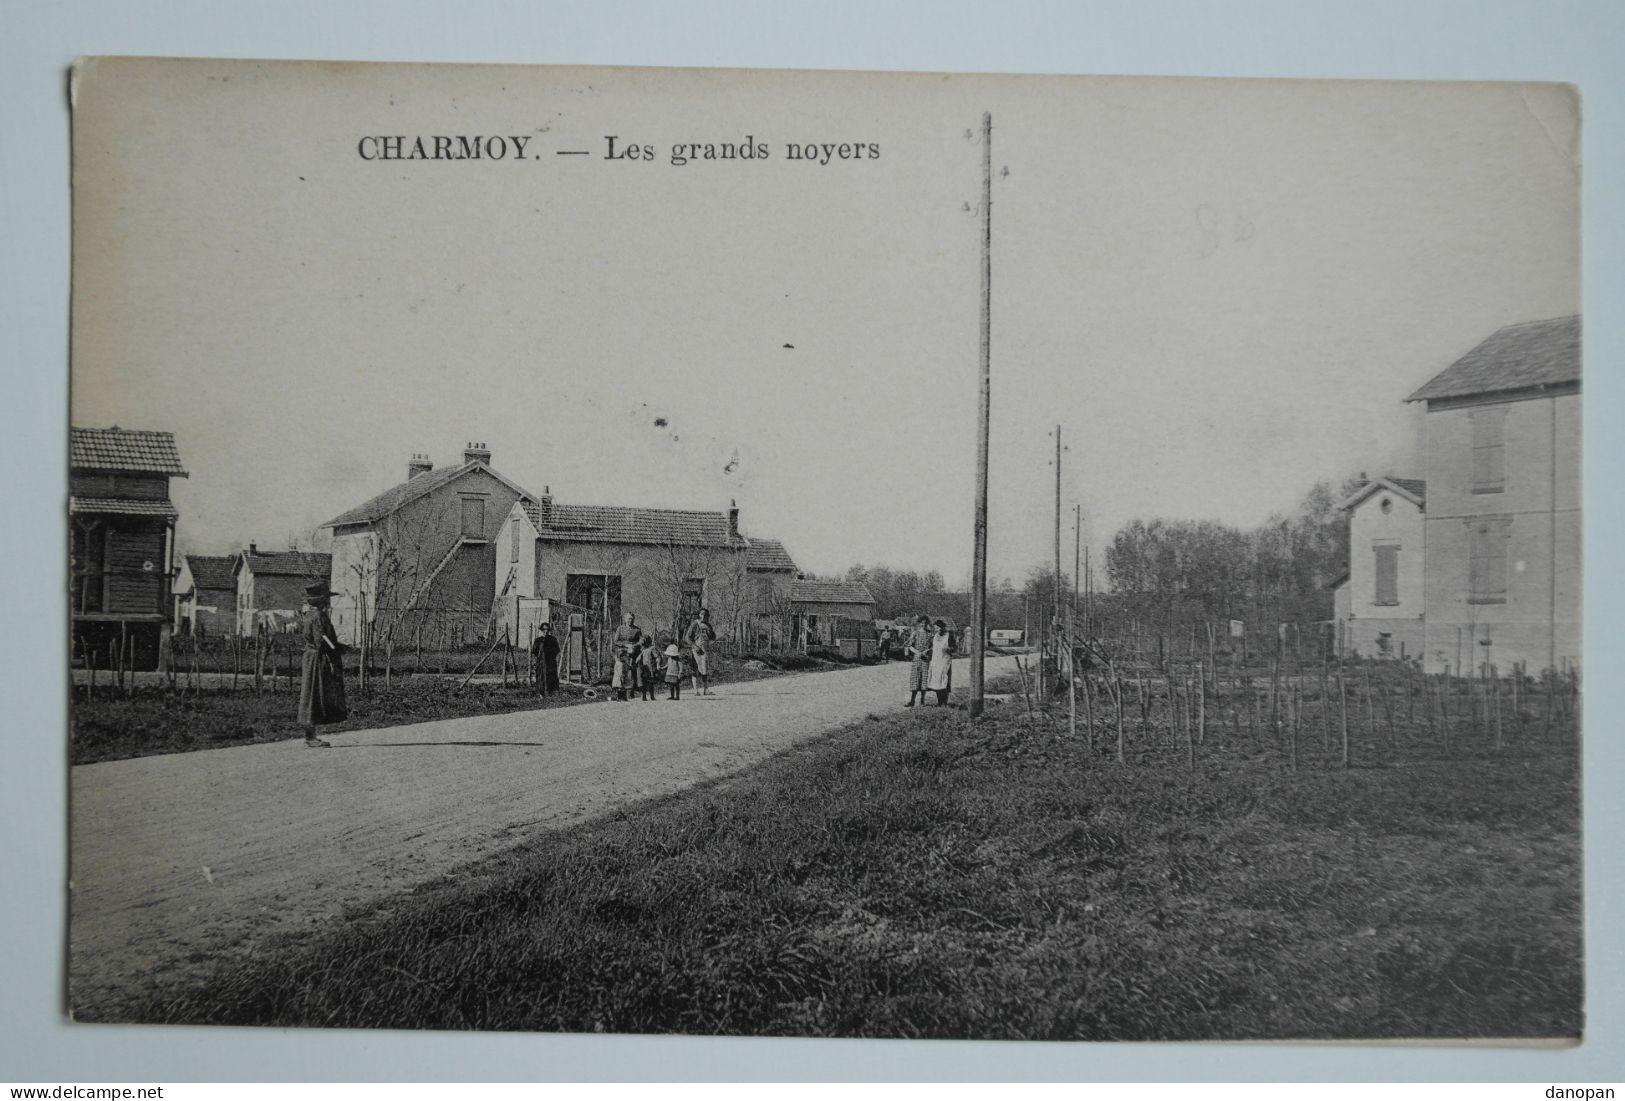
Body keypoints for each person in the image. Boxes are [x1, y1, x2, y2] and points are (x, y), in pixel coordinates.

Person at [296, 581, 347, 747]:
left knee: (310, 694)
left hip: (310, 657)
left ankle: (309, 735)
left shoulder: (309, 615)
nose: (328, 602)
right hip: (318, 659)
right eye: (326, 599)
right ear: (321, 601)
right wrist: (339, 649)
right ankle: (310, 738)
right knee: (314, 694)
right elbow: (321, 641)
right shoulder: (318, 617)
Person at [685, 607, 717, 696]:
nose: (704, 616)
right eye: (702, 614)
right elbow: (687, 638)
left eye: (706, 614)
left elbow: (713, 637)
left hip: (705, 650)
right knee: (695, 670)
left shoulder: (708, 625)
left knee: (705, 670)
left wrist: (710, 633)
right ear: (699, 615)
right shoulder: (695, 624)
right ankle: (695, 690)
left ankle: (706, 689)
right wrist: (694, 646)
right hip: (696, 650)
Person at [611, 612, 642, 700]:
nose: (630, 620)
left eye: (632, 619)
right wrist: (625, 645)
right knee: (619, 672)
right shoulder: (620, 629)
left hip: (632, 654)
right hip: (621, 653)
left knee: (630, 672)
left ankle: (629, 693)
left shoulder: (637, 630)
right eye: (629, 618)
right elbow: (616, 641)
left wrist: (634, 646)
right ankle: (618, 693)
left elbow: (641, 641)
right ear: (625, 619)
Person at [927, 618, 958, 707]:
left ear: (942, 628)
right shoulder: (934, 637)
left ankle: (944, 702)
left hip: (945, 662)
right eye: (935, 628)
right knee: (936, 682)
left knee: (944, 681)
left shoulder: (949, 636)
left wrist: (949, 649)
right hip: (936, 662)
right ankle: (939, 702)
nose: (936, 630)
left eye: (937, 628)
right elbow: (931, 648)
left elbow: (955, 648)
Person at [904, 614, 933, 707]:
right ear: (919, 623)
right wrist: (917, 652)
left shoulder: (929, 634)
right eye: (921, 623)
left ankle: (922, 701)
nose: (923, 625)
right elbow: (909, 645)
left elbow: (933, 646)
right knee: (915, 679)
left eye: (925, 623)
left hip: (925, 659)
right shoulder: (915, 633)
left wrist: (926, 651)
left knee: (924, 678)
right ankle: (912, 700)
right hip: (917, 658)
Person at [531, 622, 561, 696]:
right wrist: (540, 658)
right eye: (544, 629)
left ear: (549, 630)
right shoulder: (538, 640)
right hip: (541, 662)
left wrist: (551, 657)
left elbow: (557, 650)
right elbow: (534, 651)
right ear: (542, 630)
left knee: (551, 676)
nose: (545, 631)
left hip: (550, 662)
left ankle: (551, 693)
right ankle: (541, 693)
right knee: (541, 677)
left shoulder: (553, 639)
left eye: (547, 629)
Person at [638, 635, 658, 700]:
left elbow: (657, 657)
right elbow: (639, 658)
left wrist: (658, 665)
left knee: (650, 683)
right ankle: (644, 696)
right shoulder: (643, 650)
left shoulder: (652, 648)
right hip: (645, 668)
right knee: (645, 683)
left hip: (650, 668)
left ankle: (651, 696)